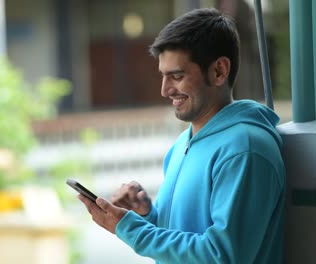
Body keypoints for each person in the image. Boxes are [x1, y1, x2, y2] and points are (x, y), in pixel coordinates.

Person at [77, 7, 285, 263]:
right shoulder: (181, 145)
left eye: (177, 76)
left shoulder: (245, 149)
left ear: (219, 71)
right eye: (163, 76)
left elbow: (223, 255)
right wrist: (145, 216)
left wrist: (132, 229)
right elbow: (180, 237)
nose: (165, 90)